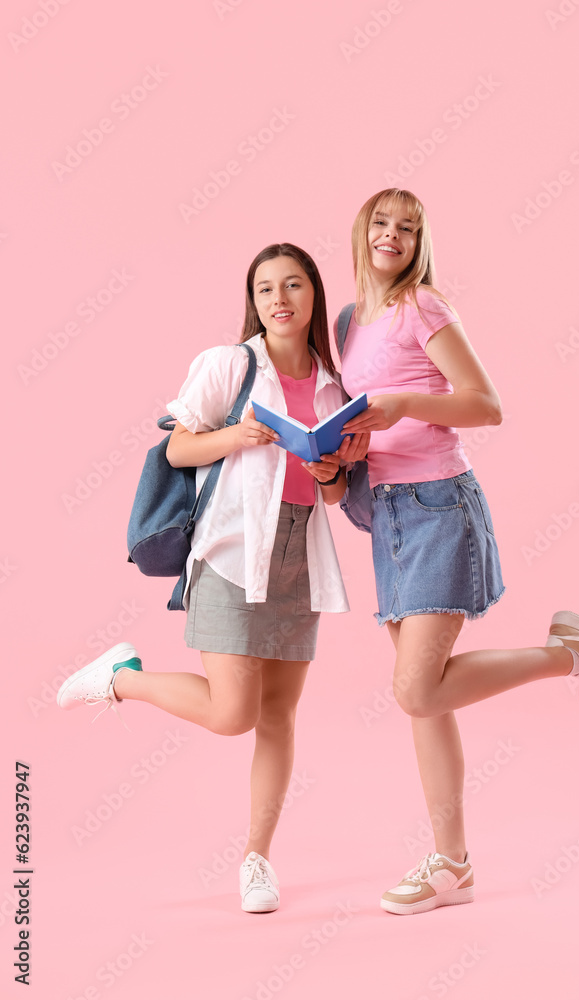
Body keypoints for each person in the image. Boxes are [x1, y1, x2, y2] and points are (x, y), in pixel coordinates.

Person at [335, 188, 579, 916]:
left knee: (415, 689)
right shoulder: (351, 322)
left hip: (438, 504)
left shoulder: (423, 306)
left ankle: (570, 652)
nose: (392, 235)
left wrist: (406, 404)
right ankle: (452, 867)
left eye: (407, 228)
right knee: (427, 699)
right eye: (382, 223)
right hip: (385, 514)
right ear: (361, 231)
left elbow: (485, 402)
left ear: (419, 242)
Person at [57, 243, 368, 914]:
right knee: (233, 715)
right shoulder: (229, 364)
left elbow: (338, 498)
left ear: (313, 295)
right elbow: (177, 447)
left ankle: (257, 860)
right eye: (264, 289)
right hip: (230, 551)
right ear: (252, 301)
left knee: (279, 716)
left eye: (292, 285)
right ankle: (121, 677)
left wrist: (331, 473)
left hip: (298, 555)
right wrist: (239, 437)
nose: (279, 298)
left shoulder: (330, 386)